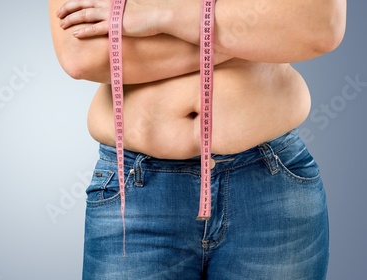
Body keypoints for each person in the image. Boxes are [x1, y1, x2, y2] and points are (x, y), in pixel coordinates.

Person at [49, 0, 347, 279]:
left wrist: (161, 15)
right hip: (135, 190)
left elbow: (320, 26)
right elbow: (84, 55)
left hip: (271, 185)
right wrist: (248, 31)